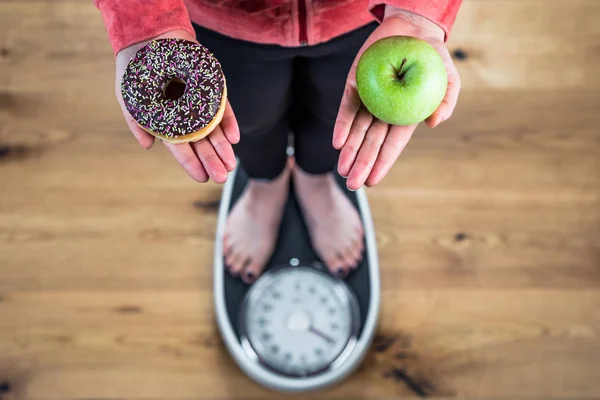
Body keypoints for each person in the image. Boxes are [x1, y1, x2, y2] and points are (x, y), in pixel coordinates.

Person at [95, 0, 462, 284]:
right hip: (221, 21)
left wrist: (421, 11)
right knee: (247, 119)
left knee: (337, 115)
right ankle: (264, 183)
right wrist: (141, 19)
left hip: (367, 17)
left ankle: (316, 179)